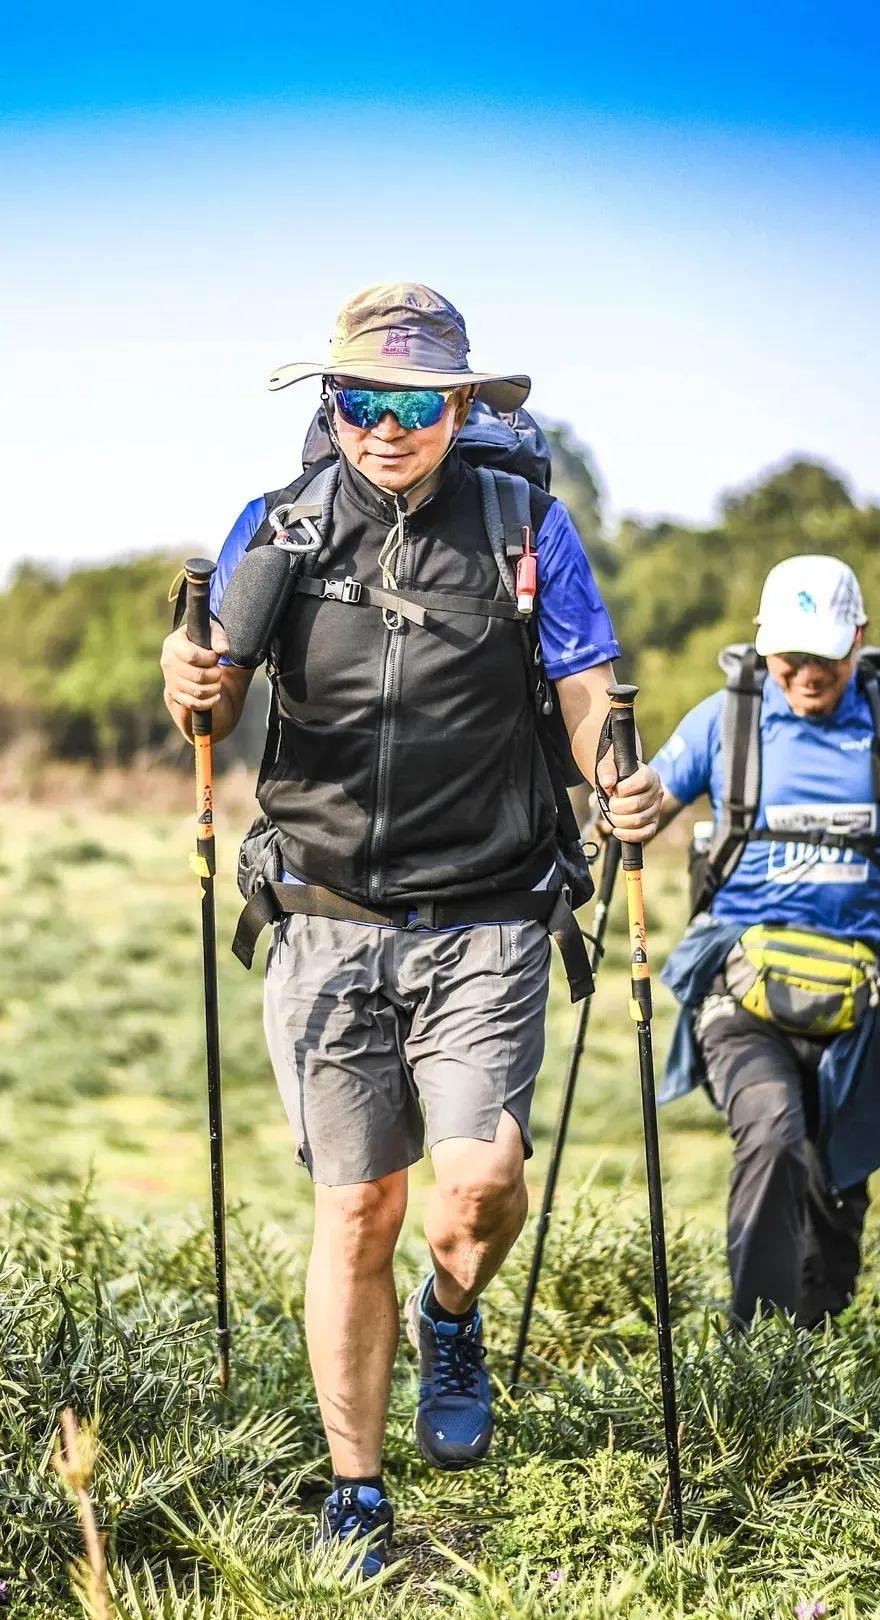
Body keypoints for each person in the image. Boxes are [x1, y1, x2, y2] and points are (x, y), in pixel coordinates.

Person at [160, 283, 662, 1577]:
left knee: (481, 1181)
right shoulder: (280, 528)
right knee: (357, 1209)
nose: (387, 427)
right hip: (323, 920)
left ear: (459, 407)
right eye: (360, 402)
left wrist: (619, 782)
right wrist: (190, 685)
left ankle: (453, 1313)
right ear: (329, 408)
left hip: (489, 913)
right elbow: (208, 698)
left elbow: (589, 684)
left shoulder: (526, 526)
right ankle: (358, 1494)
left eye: (415, 404)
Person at [647, 555, 880, 1330]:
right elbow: (643, 808)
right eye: (792, 655)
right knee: (774, 1131)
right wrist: (620, 804)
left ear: (860, 638)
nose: (808, 673)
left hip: (862, 1003)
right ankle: (754, 1363)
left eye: (826, 653)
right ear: (761, 642)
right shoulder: (726, 718)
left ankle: (810, 1354)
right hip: (740, 991)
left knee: (836, 1189)